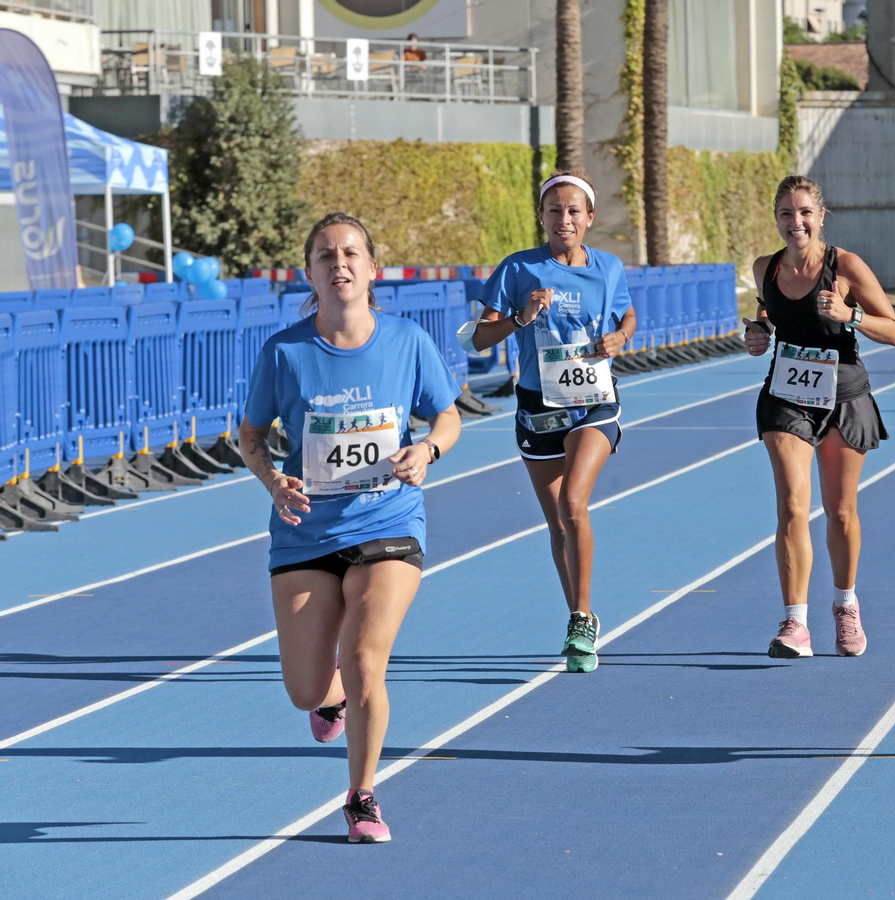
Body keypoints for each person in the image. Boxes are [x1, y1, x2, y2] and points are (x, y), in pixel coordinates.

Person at [239, 212, 462, 843]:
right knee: (305, 690)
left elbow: (446, 416)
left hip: (387, 520)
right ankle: (328, 698)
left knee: (365, 658)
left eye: (352, 253)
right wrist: (272, 480)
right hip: (305, 531)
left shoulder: (406, 341)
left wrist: (428, 451)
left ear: (371, 269)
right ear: (308, 272)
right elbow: (251, 434)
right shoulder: (284, 353)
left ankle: (362, 796)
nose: (340, 263)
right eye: (325, 255)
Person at [469, 171, 636, 673]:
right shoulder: (518, 268)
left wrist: (619, 339)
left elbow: (627, 316)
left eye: (573, 211)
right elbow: (478, 340)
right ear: (541, 217)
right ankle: (578, 612)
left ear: (589, 218)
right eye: (554, 211)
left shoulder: (608, 268)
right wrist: (520, 318)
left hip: (593, 404)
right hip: (538, 408)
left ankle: (582, 622)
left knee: (573, 503)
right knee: (557, 524)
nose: (564, 219)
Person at [743, 175, 895, 659]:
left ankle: (845, 605)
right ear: (776, 219)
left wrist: (850, 316)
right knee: (792, 505)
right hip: (787, 396)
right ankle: (795, 622)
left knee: (839, 511)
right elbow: (771, 316)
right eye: (787, 214)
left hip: (843, 395)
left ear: (821, 216)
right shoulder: (764, 268)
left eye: (805, 213)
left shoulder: (845, 266)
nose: (797, 222)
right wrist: (759, 333)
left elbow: (893, 331)